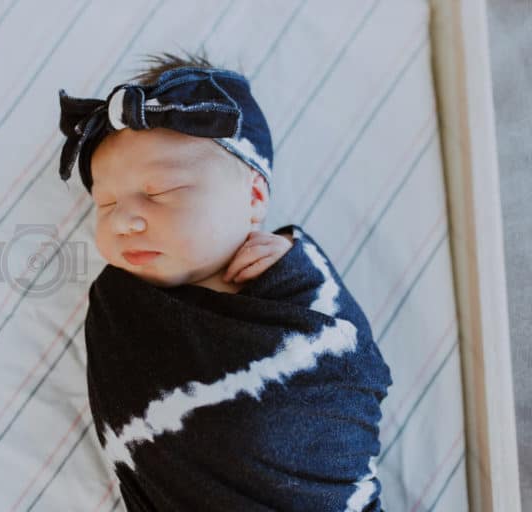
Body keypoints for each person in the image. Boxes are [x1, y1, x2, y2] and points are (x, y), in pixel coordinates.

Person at [57, 49, 393, 511]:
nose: (124, 221)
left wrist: (300, 266)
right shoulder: (120, 308)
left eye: (161, 191)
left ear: (254, 196)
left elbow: (353, 367)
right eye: (106, 204)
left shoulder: (296, 283)